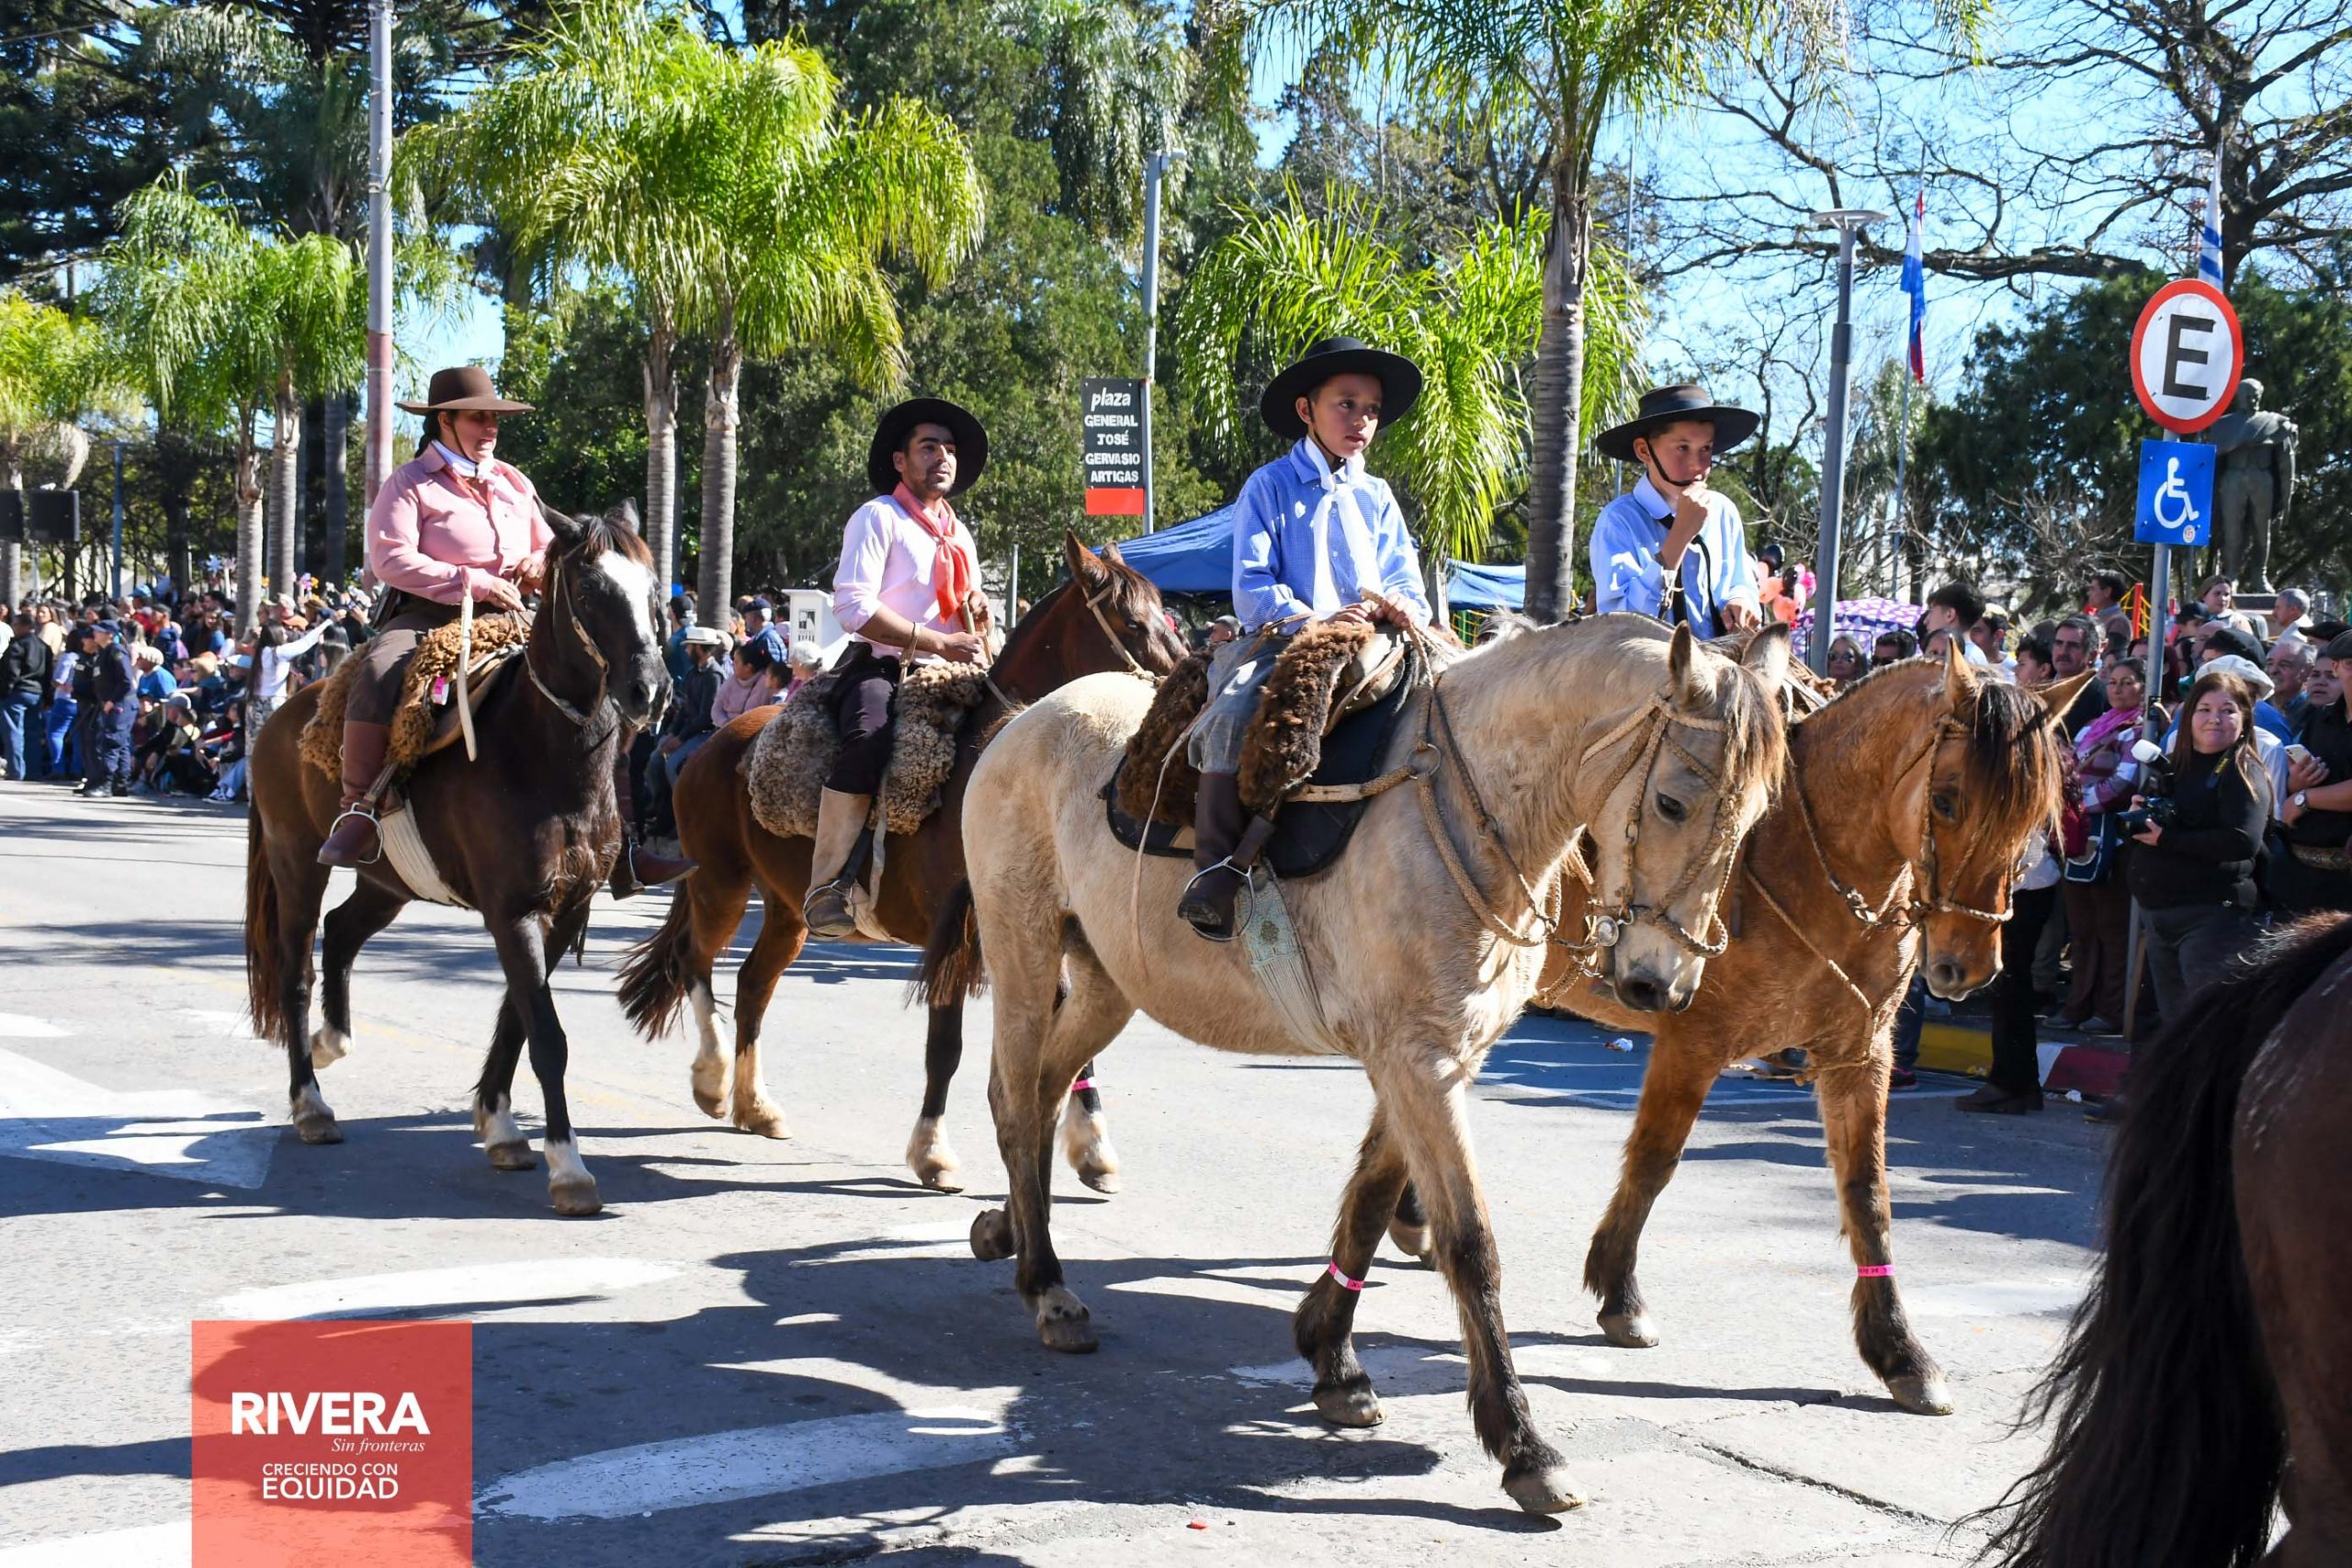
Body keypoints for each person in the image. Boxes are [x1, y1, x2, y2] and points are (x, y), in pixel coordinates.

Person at [1182, 336, 1434, 940]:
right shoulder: (1269, 485)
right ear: (1307, 410)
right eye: (1346, 404)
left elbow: (1406, 578)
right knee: (1234, 708)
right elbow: (1253, 586)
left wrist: (1403, 604)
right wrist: (1317, 621)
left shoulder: (1378, 495)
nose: (1361, 420)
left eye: (1371, 410)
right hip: (1286, 639)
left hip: (1376, 640)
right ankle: (1216, 872)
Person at [810, 397, 992, 937]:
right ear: (900, 460)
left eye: (950, 449)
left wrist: (979, 615)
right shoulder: (877, 517)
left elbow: (964, 612)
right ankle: (829, 884)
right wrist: (937, 641)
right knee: (867, 740)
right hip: (884, 667)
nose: (943, 457)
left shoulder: (960, 535)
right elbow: (853, 608)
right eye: (929, 447)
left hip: (954, 673)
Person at [2126, 670, 2270, 1021]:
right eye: (2204, 709)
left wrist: (2168, 839)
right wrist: (2139, 812)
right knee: (2176, 1025)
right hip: (2159, 914)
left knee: (2206, 1023)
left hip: (2211, 917)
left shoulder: (2242, 770)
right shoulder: (2173, 766)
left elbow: (2242, 841)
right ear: (2188, 716)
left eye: (2227, 710)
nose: (2214, 719)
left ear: (2244, 719)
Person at [1589, 383, 1764, 633]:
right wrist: (1680, 535)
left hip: (1719, 655)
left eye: (1706, 449)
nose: (1697, 465)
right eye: (1682, 448)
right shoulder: (1618, 521)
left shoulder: (1723, 511)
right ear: (1644, 451)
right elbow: (1621, 625)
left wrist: (1741, 600)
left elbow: (1740, 581)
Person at [2059, 660, 2150, 1035]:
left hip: (2113, 839)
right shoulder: (2092, 727)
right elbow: (2067, 771)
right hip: (2080, 837)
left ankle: (2110, 1010)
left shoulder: (2140, 731)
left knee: (2112, 928)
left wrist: (2076, 807)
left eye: (2127, 682)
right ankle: (2077, 1005)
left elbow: (2122, 785)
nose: (2117, 689)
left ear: (2144, 687)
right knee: (2082, 928)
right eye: (2112, 682)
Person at [1957, 821, 2063, 1113]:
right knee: (2013, 989)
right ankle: (2023, 1084)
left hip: (2020, 886)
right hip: (2028, 884)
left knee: (2008, 988)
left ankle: (2008, 1085)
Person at [2273, 629, 2352, 914]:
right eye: (2350, 664)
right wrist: (2297, 783)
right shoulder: (2318, 719)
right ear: (2337, 667)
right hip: (2301, 875)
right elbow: (2293, 781)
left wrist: (2304, 798)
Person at [640, 626, 724, 841]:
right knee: (655, 762)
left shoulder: (714, 676)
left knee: (673, 766)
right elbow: (685, 710)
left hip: (705, 733)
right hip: (687, 732)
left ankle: (685, 820)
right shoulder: (692, 673)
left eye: (690, 647)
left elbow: (706, 717)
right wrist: (671, 734)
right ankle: (664, 817)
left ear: (700, 649)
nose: (686, 651)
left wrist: (680, 739)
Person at [80, 619, 136, 797]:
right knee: (121, 743)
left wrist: (112, 700)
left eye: (99, 631)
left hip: (121, 703)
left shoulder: (116, 651)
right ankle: (120, 783)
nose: (95, 634)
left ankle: (106, 783)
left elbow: (126, 680)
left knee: (112, 741)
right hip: (110, 703)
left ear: (110, 634)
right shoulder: (104, 653)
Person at [2, 611, 53, 779]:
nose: (14, 628)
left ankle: (16, 771)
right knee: (33, 734)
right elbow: (48, 675)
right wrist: (48, 697)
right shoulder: (44, 647)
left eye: (16, 625)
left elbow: (11, 673)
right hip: (36, 693)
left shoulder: (17, 646)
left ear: (25, 626)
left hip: (17, 692)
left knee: (13, 732)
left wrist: (5, 692)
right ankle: (33, 771)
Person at [2050, 616, 2109, 733]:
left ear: (2092, 655)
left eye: (2073, 646)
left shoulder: (2100, 696)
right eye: (2059, 643)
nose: (2063, 652)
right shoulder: (2040, 687)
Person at [712, 635, 778, 728]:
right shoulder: (732, 679)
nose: (732, 664)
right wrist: (725, 724)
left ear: (748, 667)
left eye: (736, 662)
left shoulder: (763, 683)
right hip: (724, 728)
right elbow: (716, 707)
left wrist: (732, 729)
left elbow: (749, 717)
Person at [1919, 581, 1990, 666]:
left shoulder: (1960, 658)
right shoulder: (1975, 654)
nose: (1926, 621)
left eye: (1931, 611)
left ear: (1949, 615)